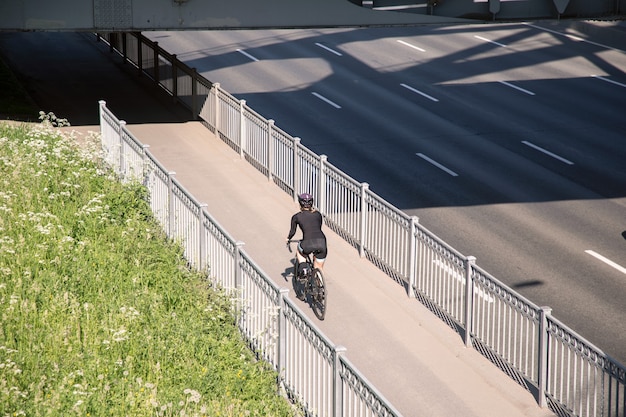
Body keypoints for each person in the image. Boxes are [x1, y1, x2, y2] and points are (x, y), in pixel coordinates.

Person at [286, 193, 327, 273]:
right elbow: (318, 226)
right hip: (322, 242)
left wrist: (288, 239)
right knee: (319, 267)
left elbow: (292, 231)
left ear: (300, 203)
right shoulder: (318, 214)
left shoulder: (296, 217)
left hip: (308, 243)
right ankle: (319, 280)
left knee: (299, 250)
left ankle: (303, 268)